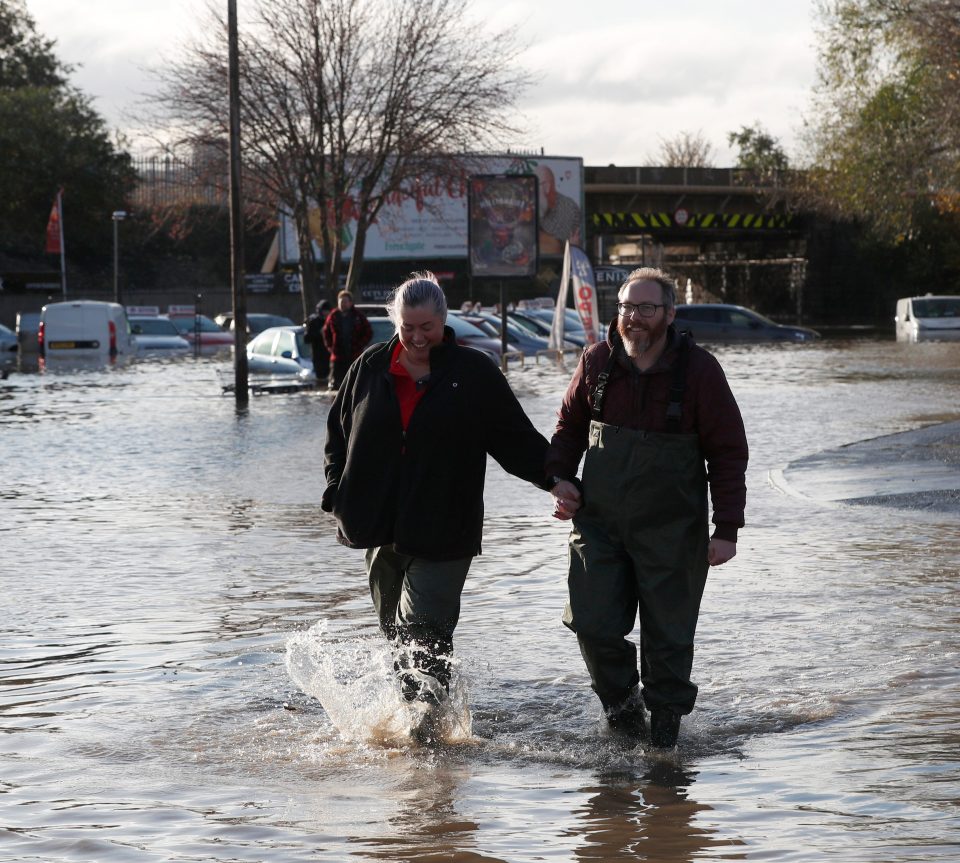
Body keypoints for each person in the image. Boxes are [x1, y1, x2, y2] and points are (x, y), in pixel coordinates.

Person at [321, 271, 553, 722]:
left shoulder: (472, 372)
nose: (416, 337)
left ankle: (425, 740)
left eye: (426, 327)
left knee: (421, 633)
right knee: (395, 634)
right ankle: (428, 737)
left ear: (444, 320)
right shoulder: (369, 367)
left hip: (446, 527)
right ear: (394, 321)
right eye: (407, 327)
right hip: (377, 526)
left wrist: (558, 480)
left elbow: (515, 439)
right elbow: (337, 433)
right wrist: (335, 491)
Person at [546, 267, 748, 749]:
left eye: (645, 308)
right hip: (599, 526)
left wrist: (727, 529)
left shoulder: (700, 370)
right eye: (626, 308)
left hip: (673, 530)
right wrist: (559, 480)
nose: (633, 318)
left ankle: (664, 746)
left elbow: (727, 451)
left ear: (669, 314)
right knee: (591, 624)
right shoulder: (596, 362)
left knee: (669, 638)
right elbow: (568, 429)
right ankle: (622, 712)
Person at [321, 290, 372, 391]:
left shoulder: (358, 316)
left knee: (356, 384)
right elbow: (326, 333)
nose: (342, 304)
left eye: (345, 301)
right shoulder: (333, 316)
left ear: (350, 303)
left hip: (354, 355)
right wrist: (330, 347)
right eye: (341, 301)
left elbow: (368, 332)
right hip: (337, 356)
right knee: (334, 385)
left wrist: (360, 345)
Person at [536, 163, 582, 255]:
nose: (532, 189)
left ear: (547, 186)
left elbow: (559, 246)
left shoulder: (568, 208)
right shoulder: (534, 205)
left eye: (536, 184)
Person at [304, 300, 331, 385]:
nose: (326, 313)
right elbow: (307, 338)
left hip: (332, 355)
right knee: (321, 379)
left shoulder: (332, 320)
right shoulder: (314, 321)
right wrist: (320, 333)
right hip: (319, 355)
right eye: (324, 311)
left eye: (327, 311)